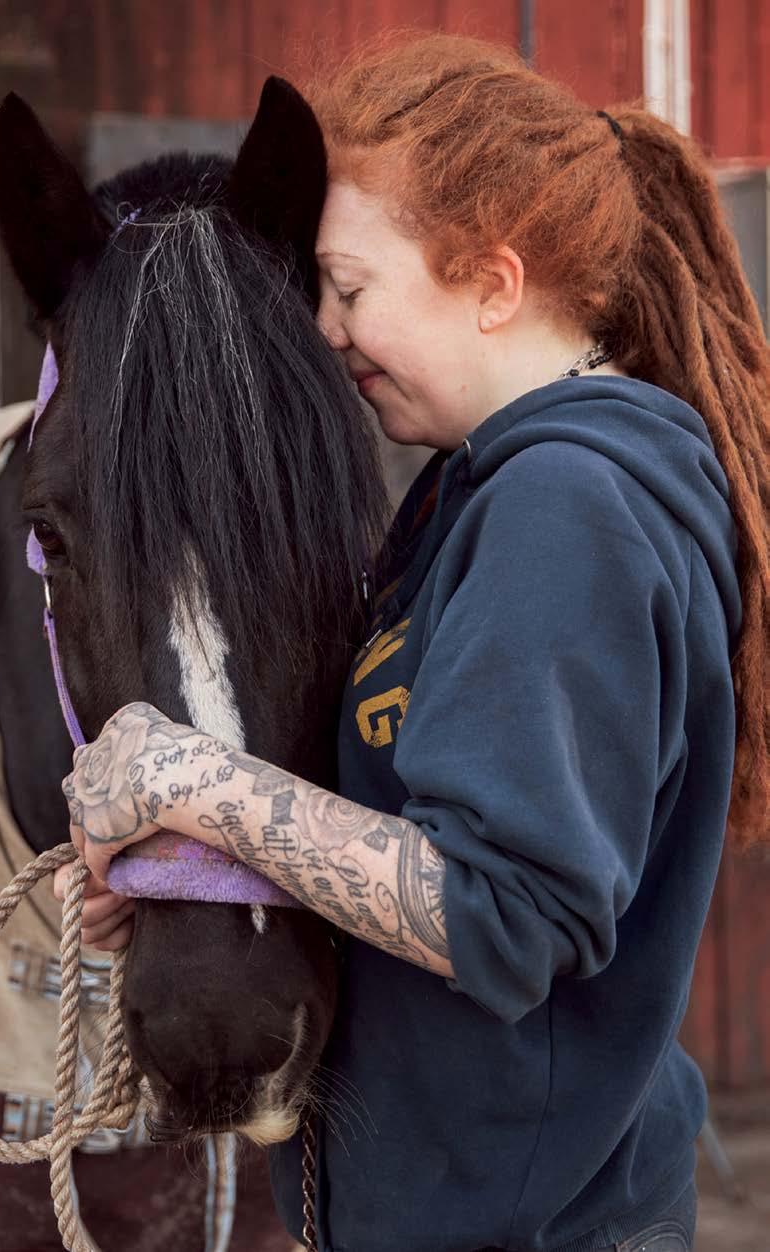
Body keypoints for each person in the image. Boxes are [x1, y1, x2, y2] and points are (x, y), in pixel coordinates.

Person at [54, 33, 769, 1252]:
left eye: (345, 286)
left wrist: (196, 781)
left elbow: (500, 912)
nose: (323, 330)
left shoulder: (566, 509)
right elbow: (406, 821)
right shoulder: (465, 499)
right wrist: (190, 868)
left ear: (491, 281)